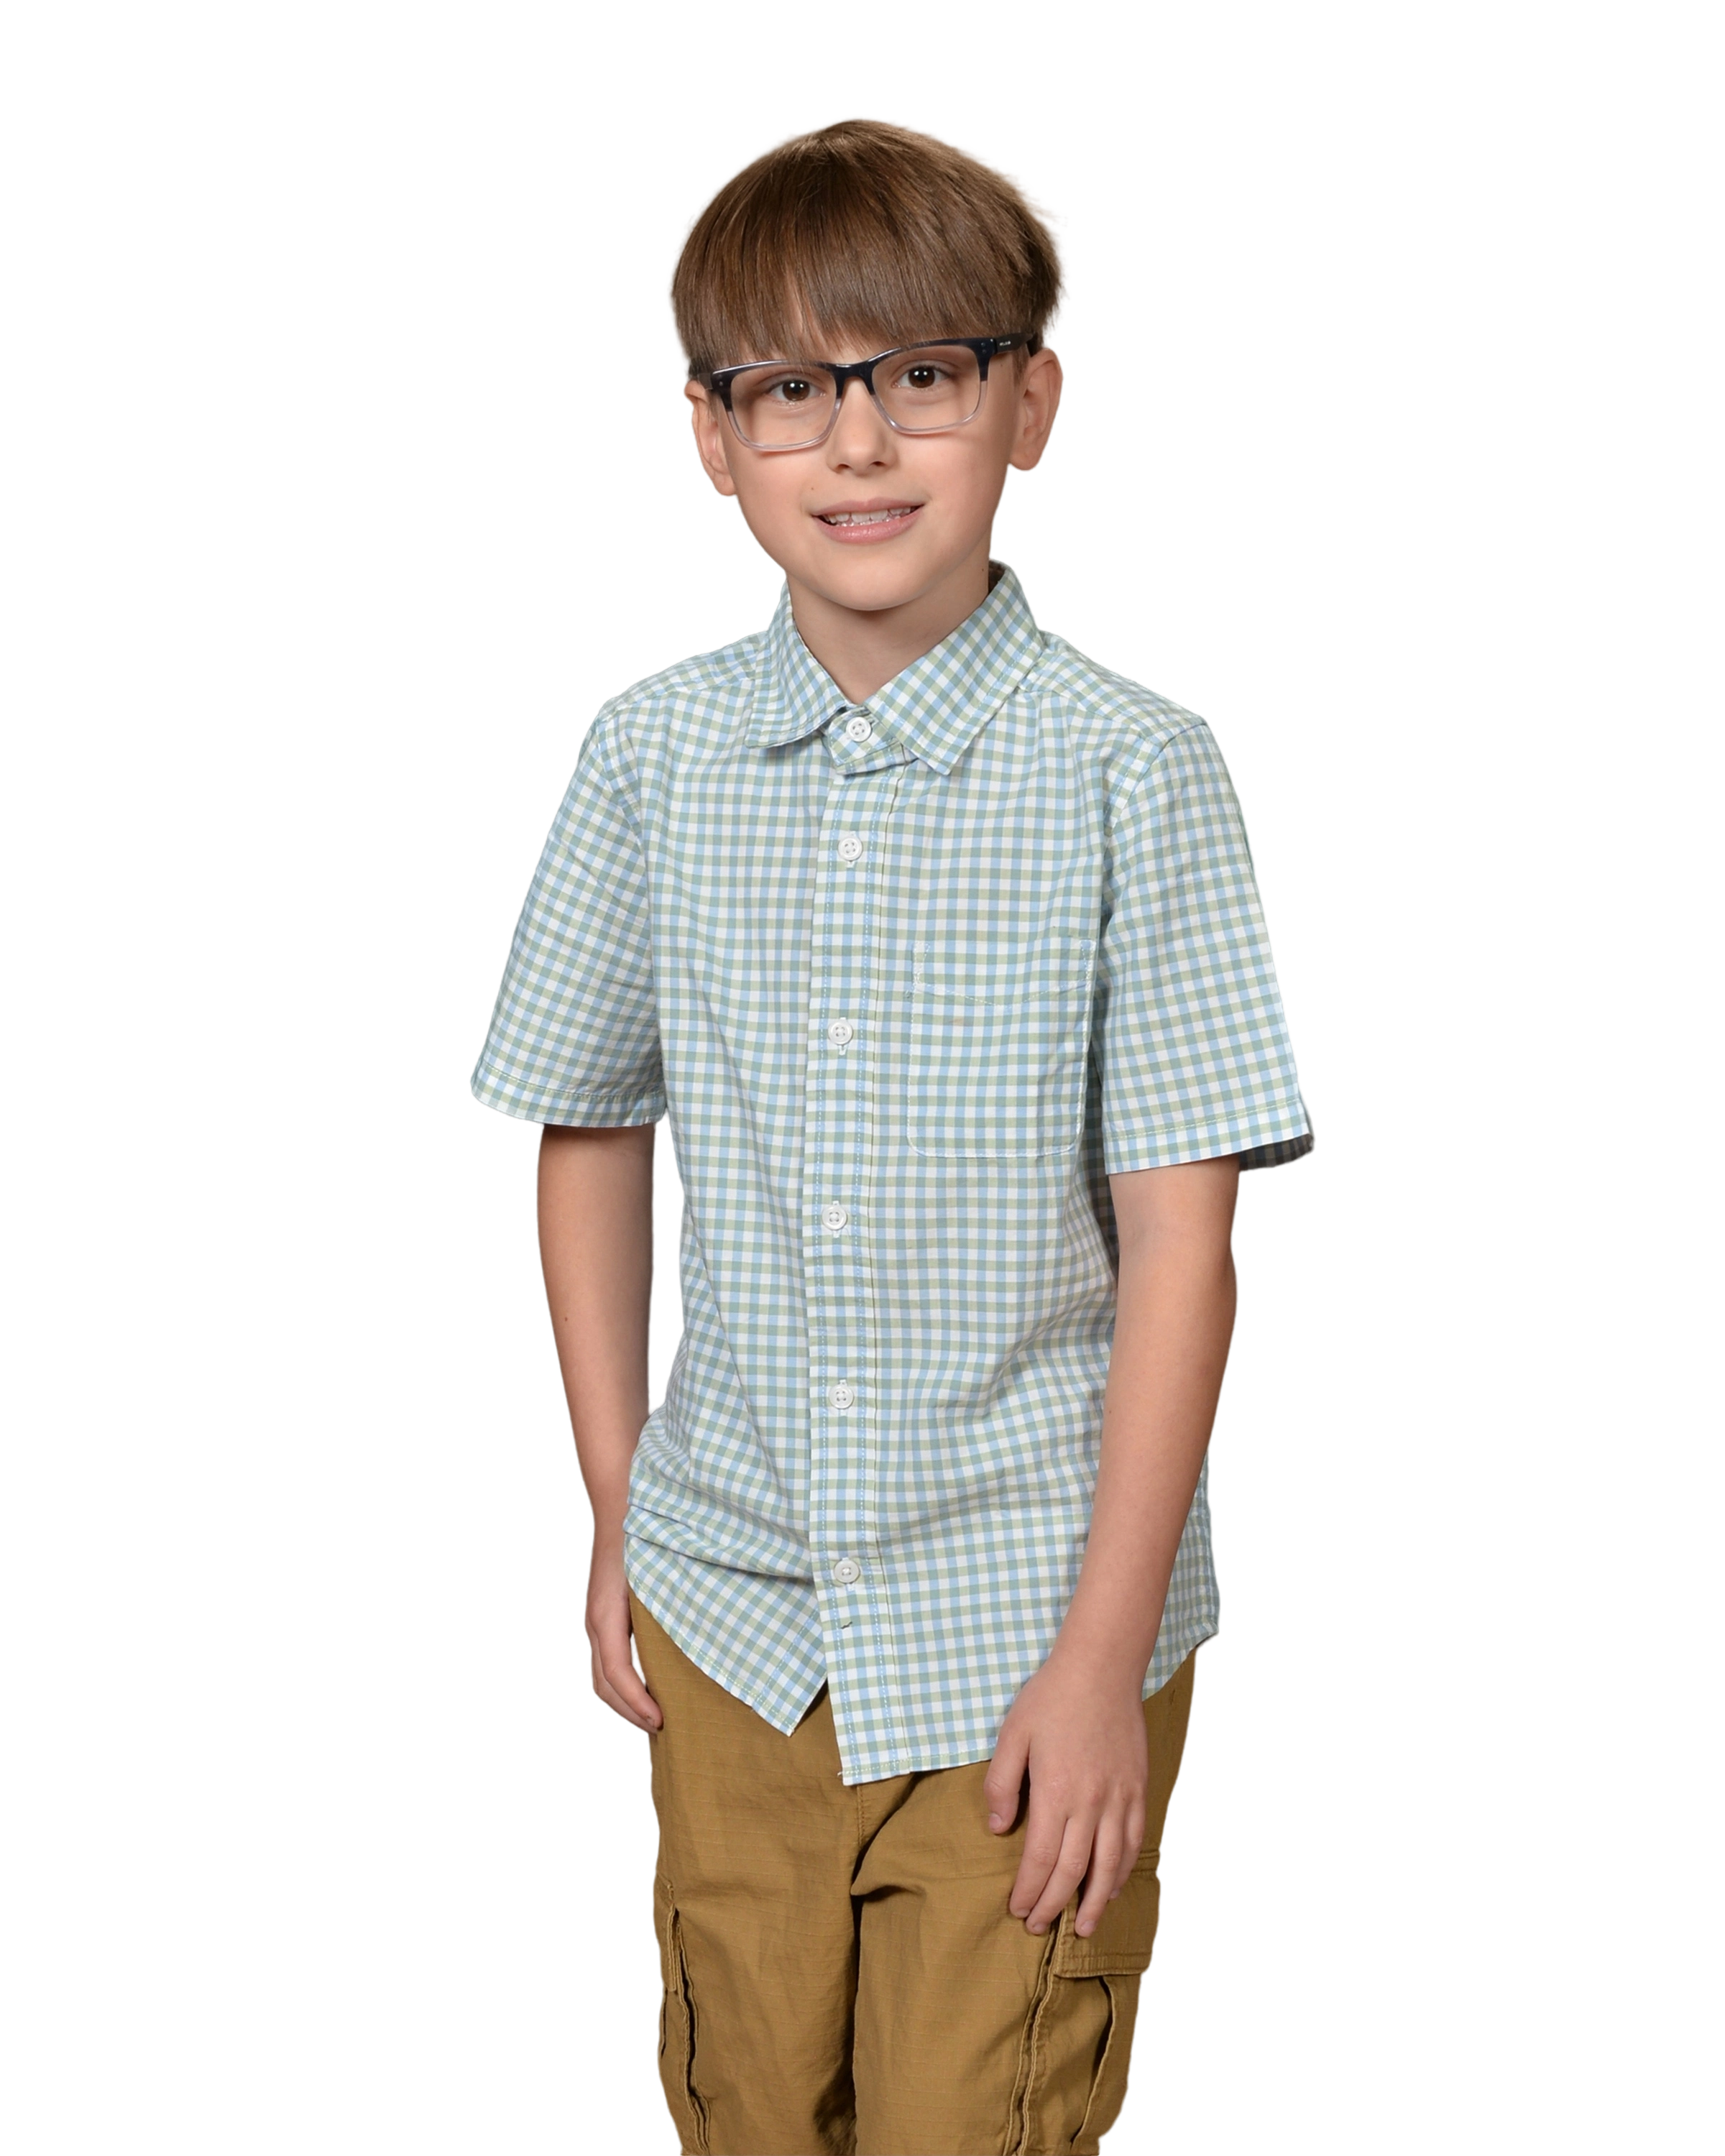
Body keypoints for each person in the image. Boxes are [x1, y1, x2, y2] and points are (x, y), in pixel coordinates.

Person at [467, 111, 1315, 2156]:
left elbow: (1181, 1238)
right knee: (747, 2100)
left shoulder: (1135, 772)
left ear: (1033, 402)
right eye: (790, 388)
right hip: (733, 1610)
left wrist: (1102, 1659)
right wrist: (622, 1507)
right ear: (711, 434)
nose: (857, 443)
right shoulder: (648, 756)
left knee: (977, 2114)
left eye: (921, 372)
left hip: (1031, 1621)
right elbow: (588, 1128)